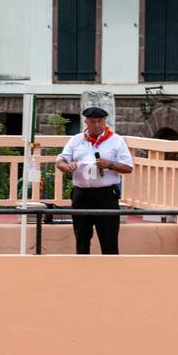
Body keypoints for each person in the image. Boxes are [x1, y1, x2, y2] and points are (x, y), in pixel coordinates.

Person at [55, 107, 133, 255]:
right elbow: (60, 161)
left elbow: (128, 167)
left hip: (105, 195)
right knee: (81, 237)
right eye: (92, 122)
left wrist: (109, 164)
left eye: (100, 121)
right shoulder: (76, 140)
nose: (97, 125)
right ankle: (82, 270)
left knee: (109, 238)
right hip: (81, 194)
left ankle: (110, 271)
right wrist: (67, 166)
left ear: (104, 121)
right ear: (86, 122)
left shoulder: (116, 141)